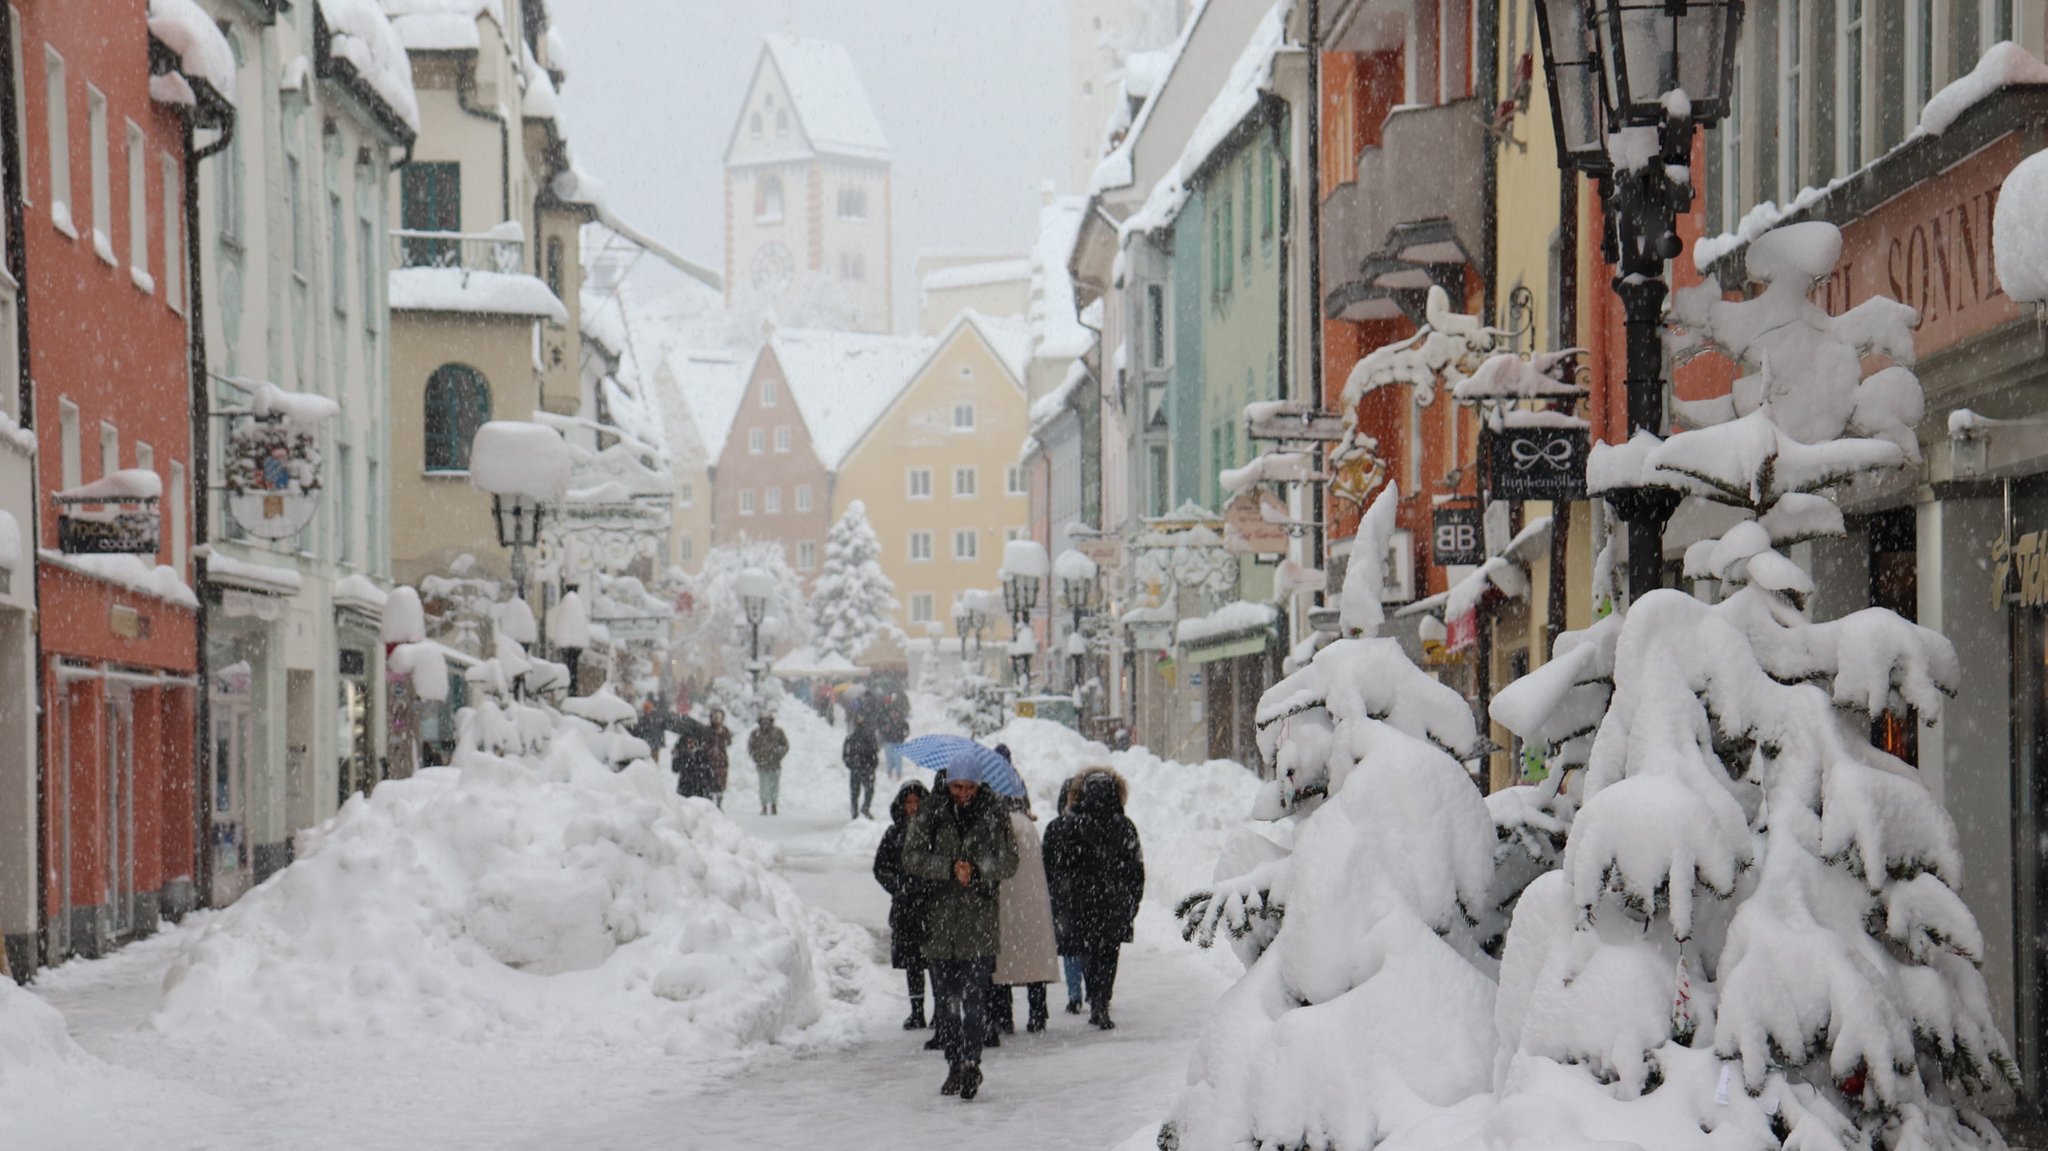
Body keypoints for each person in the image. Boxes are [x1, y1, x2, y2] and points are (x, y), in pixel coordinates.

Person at [902, 770, 1018, 1101]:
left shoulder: (994, 813)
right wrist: (948, 866)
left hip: (978, 921)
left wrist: (979, 869)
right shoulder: (931, 812)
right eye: (956, 786)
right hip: (938, 922)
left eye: (969, 787)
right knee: (946, 1002)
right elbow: (911, 857)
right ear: (947, 785)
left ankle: (971, 1061)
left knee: (974, 998)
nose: (963, 793)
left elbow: (1009, 861)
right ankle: (953, 1063)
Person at [1042, 769, 1143, 1030]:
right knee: (1109, 952)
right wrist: (1132, 902)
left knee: (1088, 950)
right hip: (1114, 901)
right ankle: (1102, 999)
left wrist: (1060, 900)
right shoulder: (1124, 826)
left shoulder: (1068, 826)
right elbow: (1136, 869)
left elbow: (1054, 868)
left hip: (1081, 903)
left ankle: (1095, 995)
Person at [992, 786, 1059, 1035]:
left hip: (1005, 905)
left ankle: (1003, 1016)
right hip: (1032, 904)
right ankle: (1038, 1014)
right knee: (1035, 963)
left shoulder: (1002, 825)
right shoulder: (1028, 826)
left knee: (1002, 965)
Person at [873, 781, 936, 1031]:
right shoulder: (894, 834)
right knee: (912, 963)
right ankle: (916, 1010)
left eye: (917, 803)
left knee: (934, 963)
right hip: (905, 908)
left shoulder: (933, 832)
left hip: (929, 907)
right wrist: (899, 886)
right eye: (908, 803)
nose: (912, 808)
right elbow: (880, 868)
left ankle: (939, 1012)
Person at [1046, 774, 1088, 1014]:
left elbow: (1047, 865)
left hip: (1063, 897)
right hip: (1088, 895)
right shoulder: (1091, 827)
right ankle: (1094, 990)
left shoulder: (1055, 827)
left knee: (1071, 947)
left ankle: (1074, 994)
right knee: (1090, 946)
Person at [748, 712, 789, 816]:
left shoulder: (778, 732)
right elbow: (751, 747)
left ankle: (774, 804)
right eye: (763, 721)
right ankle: (764, 805)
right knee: (763, 786)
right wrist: (756, 758)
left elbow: (785, 745)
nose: (765, 723)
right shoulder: (755, 733)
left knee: (774, 786)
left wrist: (778, 754)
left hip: (775, 764)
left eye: (767, 721)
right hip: (762, 765)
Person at [842, 717, 880, 820]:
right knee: (866, 790)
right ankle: (862, 809)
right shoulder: (855, 738)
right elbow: (875, 752)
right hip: (863, 768)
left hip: (860, 768)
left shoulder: (852, 738)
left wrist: (851, 763)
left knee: (857, 792)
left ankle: (858, 810)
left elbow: (846, 754)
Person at [673, 723, 717, 800]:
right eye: (689, 742)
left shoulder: (702, 755)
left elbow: (708, 773)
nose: (691, 745)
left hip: (700, 790)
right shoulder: (682, 756)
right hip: (685, 789)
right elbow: (675, 769)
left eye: (694, 742)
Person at [705, 708, 733, 809]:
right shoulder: (706, 730)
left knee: (720, 782)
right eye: (715, 716)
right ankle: (709, 802)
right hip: (709, 760)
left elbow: (728, 742)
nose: (716, 719)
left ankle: (719, 802)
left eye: (718, 717)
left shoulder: (724, 730)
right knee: (709, 781)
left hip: (721, 760)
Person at [879, 691, 910, 781]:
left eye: (895, 713)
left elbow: (906, 730)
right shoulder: (887, 721)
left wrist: (903, 734)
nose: (894, 714)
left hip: (898, 743)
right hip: (888, 742)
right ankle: (889, 773)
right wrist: (885, 730)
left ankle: (898, 774)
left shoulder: (901, 721)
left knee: (898, 759)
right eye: (892, 713)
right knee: (889, 759)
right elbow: (881, 729)